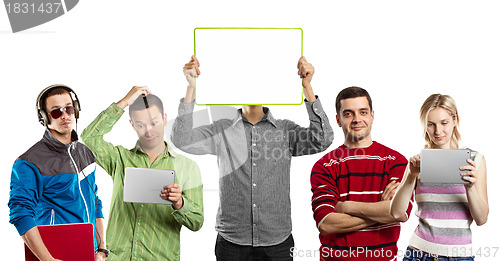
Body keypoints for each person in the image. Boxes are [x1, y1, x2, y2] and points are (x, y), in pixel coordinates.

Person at [171, 56, 333, 260]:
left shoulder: (285, 130)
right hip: (232, 241)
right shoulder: (223, 130)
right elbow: (182, 139)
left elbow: (323, 139)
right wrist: (191, 87)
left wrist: (307, 87)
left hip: (277, 241)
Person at [81, 87, 204, 260]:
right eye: (140, 125)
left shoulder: (188, 167)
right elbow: (89, 138)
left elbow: (197, 222)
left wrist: (180, 202)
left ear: (164, 119)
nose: (149, 131)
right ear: (132, 125)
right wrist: (124, 102)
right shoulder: (120, 159)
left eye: (154, 123)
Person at [310, 86, 412, 261]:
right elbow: (326, 224)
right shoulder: (325, 165)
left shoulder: (396, 161)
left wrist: (347, 206)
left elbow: (400, 213)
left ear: (372, 116)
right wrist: (382, 211)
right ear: (338, 120)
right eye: (348, 114)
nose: (357, 119)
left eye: (363, 112)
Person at [8, 85, 107, 261]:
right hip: (55, 254)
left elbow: (95, 202)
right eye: (56, 111)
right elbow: (20, 213)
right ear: (44, 118)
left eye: (69, 108)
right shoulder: (29, 162)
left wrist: (101, 249)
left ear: (75, 110)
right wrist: (47, 260)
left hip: (88, 254)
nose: (65, 115)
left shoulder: (86, 153)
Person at [390, 94, 489, 261]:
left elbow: (482, 219)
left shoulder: (475, 160)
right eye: (431, 124)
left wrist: (469, 187)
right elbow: (396, 212)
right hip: (419, 253)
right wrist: (410, 176)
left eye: (444, 123)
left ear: (455, 120)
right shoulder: (418, 163)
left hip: (460, 256)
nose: (438, 131)